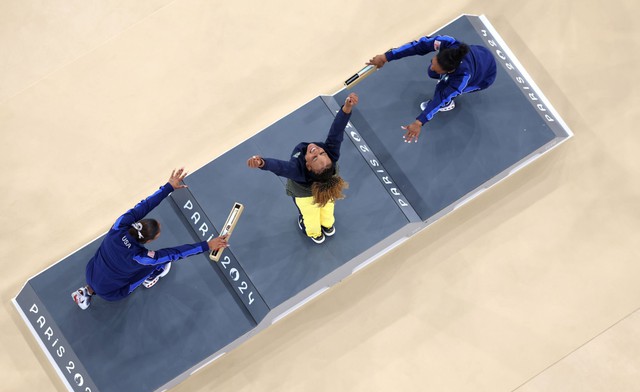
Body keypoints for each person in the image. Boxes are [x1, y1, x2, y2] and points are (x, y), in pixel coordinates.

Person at [71, 168, 228, 310]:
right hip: (110, 293)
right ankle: (152, 276)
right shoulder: (141, 257)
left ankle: (87, 291)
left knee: (107, 263)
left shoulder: (119, 226)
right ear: (148, 241)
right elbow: (174, 254)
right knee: (158, 263)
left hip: (91, 273)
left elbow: (144, 206)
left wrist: (169, 187)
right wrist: (207, 245)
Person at [246, 93, 359, 244]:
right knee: (328, 205)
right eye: (321, 152)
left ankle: (314, 234)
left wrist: (262, 163)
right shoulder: (331, 154)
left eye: (315, 157)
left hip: (306, 197)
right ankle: (328, 225)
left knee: (310, 216)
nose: (316, 150)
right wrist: (346, 108)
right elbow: (336, 131)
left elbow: (280, 167)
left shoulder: (296, 170)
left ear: (308, 166)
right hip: (327, 190)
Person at [367, 35, 497, 143]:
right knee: (432, 74)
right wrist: (386, 57)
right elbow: (417, 46)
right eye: (433, 62)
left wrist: (419, 121)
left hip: (484, 77)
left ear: (449, 70)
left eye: (436, 67)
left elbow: (440, 98)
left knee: (443, 92)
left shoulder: (462, 78)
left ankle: (449, 104)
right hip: (481, 52)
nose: (432, 66)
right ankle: (443, 79)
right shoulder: (446, 42)